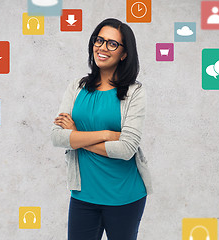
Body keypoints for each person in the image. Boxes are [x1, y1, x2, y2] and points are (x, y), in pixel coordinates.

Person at [51, 18, 152, 240]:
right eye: (99, 40)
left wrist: (76, 136)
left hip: (125, 196)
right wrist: (106, 135)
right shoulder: (77, 87)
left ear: (124, 53)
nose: (102, 48)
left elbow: (126, 150)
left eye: (112, 44)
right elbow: (58, 137)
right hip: (83, 195)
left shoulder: (135, 93)